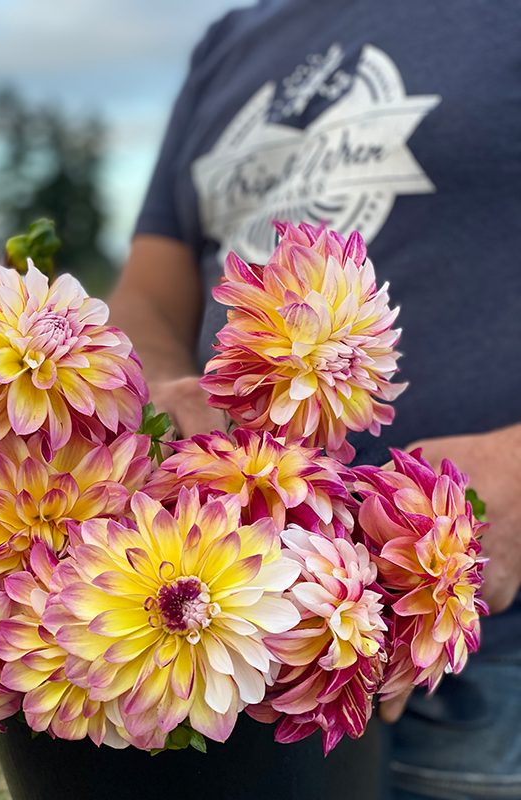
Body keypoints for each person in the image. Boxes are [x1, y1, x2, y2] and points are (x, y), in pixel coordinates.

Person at [108, 1, 521, 797]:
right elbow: (152, 293)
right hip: (235, 666)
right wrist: (159, 401)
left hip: (486, 671)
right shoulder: (230, 43)